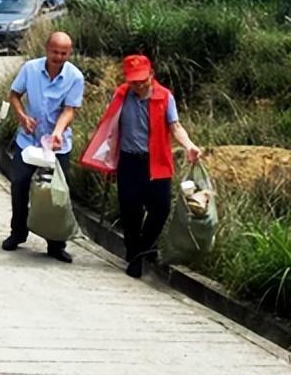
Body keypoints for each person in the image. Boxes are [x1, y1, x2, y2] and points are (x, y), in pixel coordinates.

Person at [83, 54, 202, 278]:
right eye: (133, 81)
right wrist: (107, 160)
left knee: (161, 209)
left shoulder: (165, 97)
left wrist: (189, 146)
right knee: (130, 212)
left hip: (156, 161)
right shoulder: (121, 95)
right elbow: (110, 127)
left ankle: (141, 249)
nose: (138, 85)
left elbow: (175, 126)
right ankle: (137, 256)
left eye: (142, 80)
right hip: (129, 161)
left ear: (151, 75)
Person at [2, 32, 84, 262]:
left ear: (69, 53)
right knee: (19, 185)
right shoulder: (30, 68)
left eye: (64, 53)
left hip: (58, 145)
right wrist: (22, 116)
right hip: (28, 141)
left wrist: (57, 132)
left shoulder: (75, 77)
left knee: (56, 194)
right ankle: (17, 233)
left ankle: (56, 244)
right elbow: (14, 95)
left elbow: (70, 109)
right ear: (47, 49)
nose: (58, 57)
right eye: (55, 51)